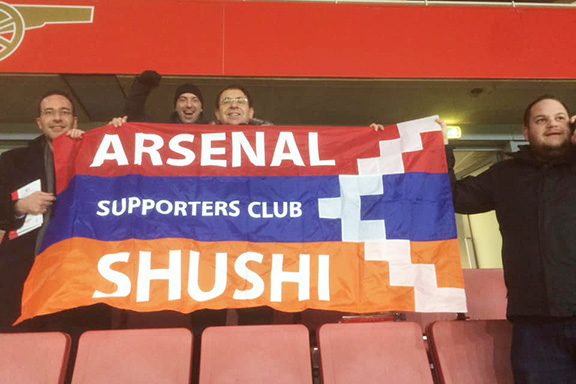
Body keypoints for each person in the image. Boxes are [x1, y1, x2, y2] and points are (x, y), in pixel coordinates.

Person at [446, 95, 576, 383]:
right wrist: (436, 147)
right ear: (526, 132)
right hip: (535, 324)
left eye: (559, 117)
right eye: (541, 120)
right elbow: (453, 196)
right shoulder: (505, 175)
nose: (552, 124)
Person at [0, 90, 85, 331]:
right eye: (50, 112)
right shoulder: (12, 161)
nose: (57, 118)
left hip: (75, 273)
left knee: (70, 346)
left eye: (65, 112)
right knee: (18, 350)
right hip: (22, 272)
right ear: (39, 122)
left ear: (74, 121)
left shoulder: (92, 156)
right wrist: (18, 205)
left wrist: (98, 142)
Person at [111, 70, 207, 126]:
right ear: (175, 107)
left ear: (201, 107)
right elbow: (135, 117)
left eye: (194, 100)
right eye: (182, 100)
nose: (189, 105)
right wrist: (142, 87)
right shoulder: (161, 131)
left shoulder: (214, 131)